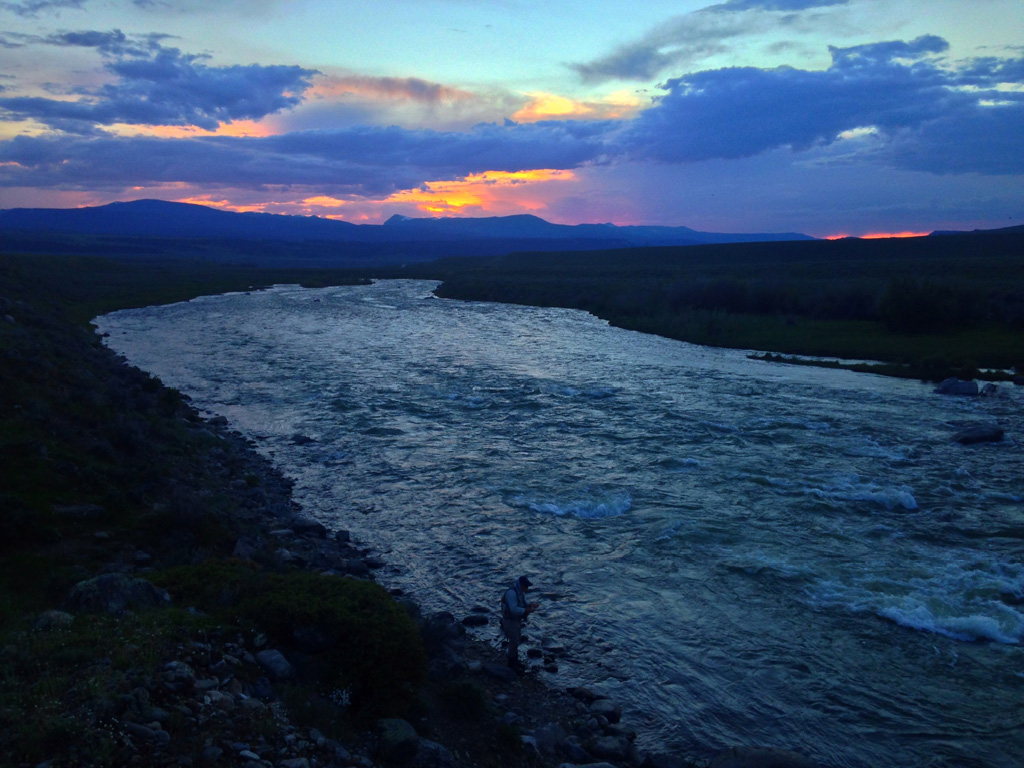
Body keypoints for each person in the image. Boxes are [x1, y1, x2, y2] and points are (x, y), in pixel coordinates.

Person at [500, 575, 539, 671]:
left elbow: (523, 605)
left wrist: (530, 605)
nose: (527, 588)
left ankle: (514, 661)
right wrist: (526, 610)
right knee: (514, 641)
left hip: (516, 620)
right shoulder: (512, 593)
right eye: (526, 586)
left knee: (516, 641)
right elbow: (513, 609)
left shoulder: (520, 593)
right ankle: (511, 664)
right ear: (521, 585)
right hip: (509, 621)